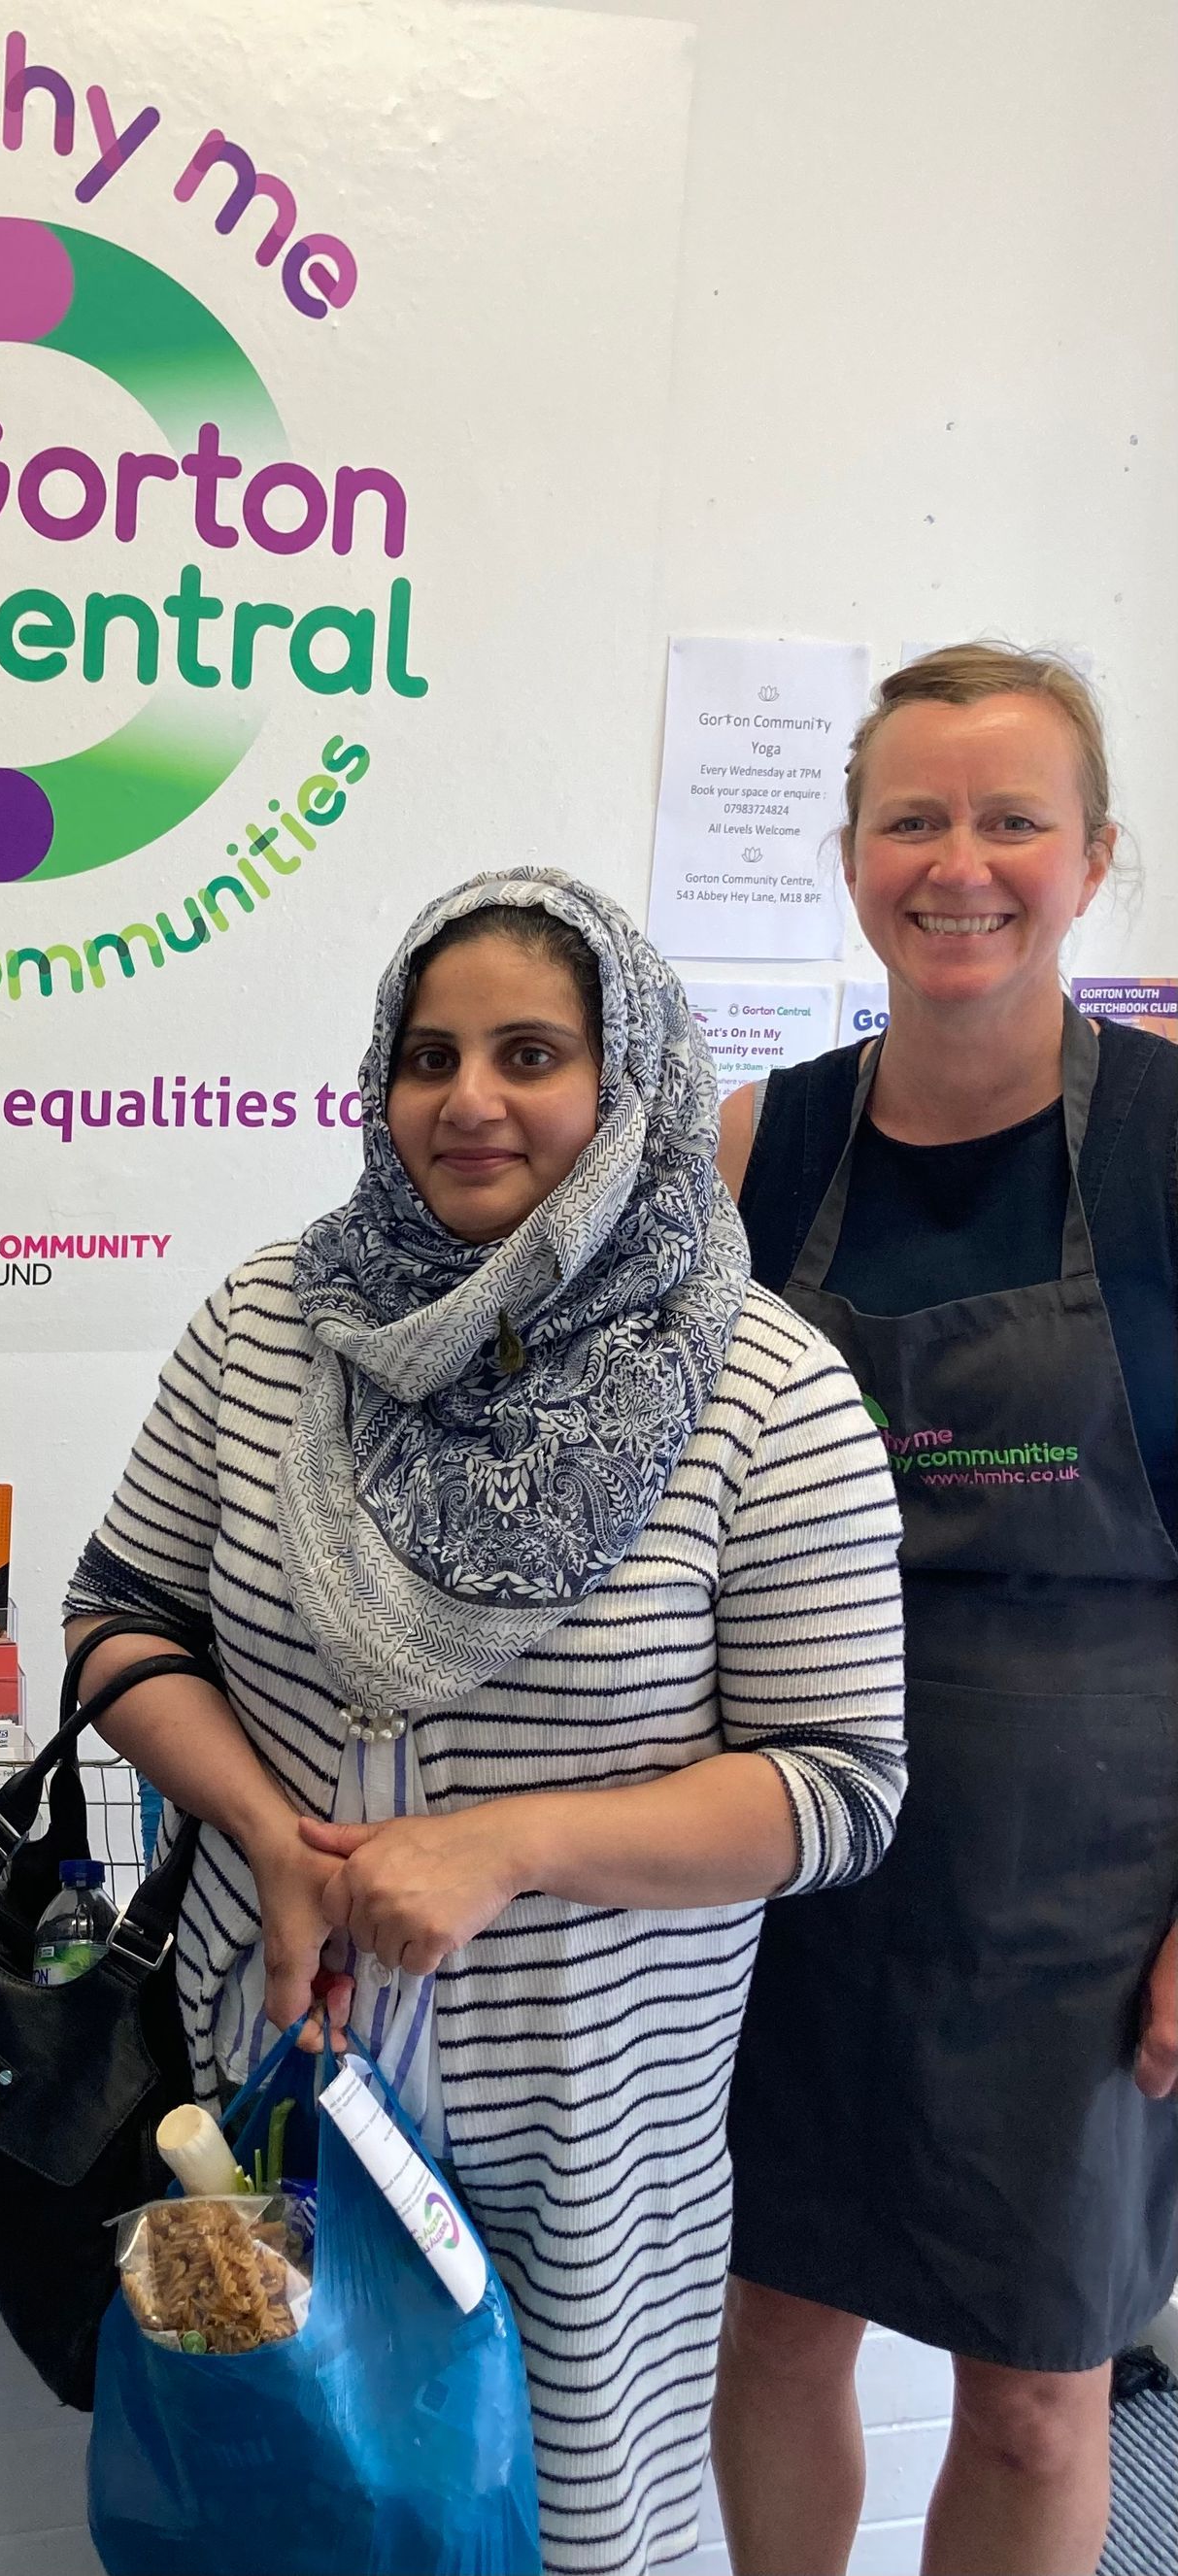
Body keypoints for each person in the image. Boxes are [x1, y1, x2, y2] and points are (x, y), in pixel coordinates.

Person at [65, 869, 906, 2575]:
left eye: (533, 1051)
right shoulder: (264, 1326)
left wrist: (509, 1844)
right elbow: (120, 1620)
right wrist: (263, 1835)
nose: (470, 1099)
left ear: (630, 1085)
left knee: (560, 2531)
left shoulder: (761, 1384)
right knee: (290, 2508)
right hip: (276, 2087)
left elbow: (841, 1786)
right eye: (429, 1053)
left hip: (588, 2130)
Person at [712, 646, 1178, 2576]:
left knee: (1039, 2387)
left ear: (1095, 857)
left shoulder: (1168, 1142)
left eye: (1011, 819)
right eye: (915, 816)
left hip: (1077, 1881)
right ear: (851, 856)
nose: (959, 861)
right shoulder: (761, 1148)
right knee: (773, 2317)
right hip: (785, 1844)